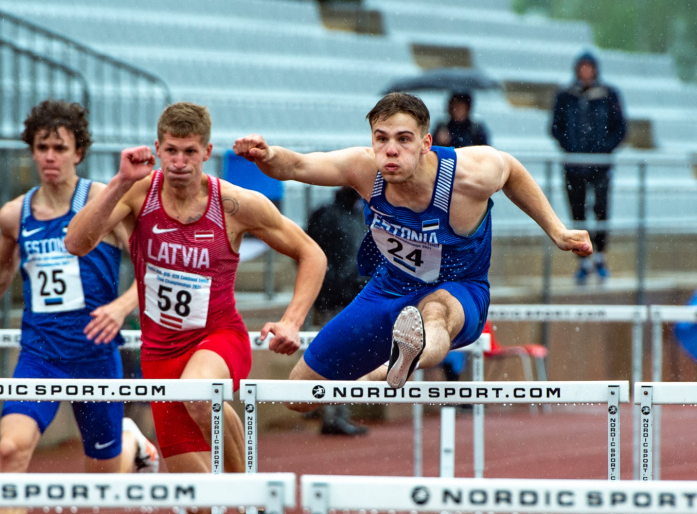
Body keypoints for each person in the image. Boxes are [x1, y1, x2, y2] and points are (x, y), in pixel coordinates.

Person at [233, 92, 592, 394]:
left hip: (458, 290)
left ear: (425, 143)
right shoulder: (363, 168)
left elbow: (510, 169)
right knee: (300, 392)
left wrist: (557, 230)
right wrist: (267, 155)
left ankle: (399, 360)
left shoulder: (467, 174)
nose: (390, 150)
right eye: (381, 138)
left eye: (403, 139)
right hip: (388, 289)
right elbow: (296, 165)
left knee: (434, 313)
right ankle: (390, 362)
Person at [64, 102, 326, 474]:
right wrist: (120, 181)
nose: (179, 162)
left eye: (190, 152)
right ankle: (148, 452)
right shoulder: (137, 193)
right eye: (171, 151)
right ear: (157, 149)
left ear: (206, 152)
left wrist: (292, 321)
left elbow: (312, 253)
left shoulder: (235, 204)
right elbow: (75, 243)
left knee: (200, 395)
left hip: (217, 339)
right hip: (159, 354)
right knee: (196, 501)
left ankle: (249, 495)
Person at [0, 100, 159, 501]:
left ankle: (131, 443)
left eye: (60, 148)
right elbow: (1, 268)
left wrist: (122, 306)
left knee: (102, 486)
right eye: (42, 147)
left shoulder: (104, 201)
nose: (50, 157)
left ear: (78, 152)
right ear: (31, 150)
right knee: (10, 449)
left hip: (95, 354)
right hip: (40, 355)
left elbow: (151, 266)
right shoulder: (15, 215)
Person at [551, 51, 626, 285]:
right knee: (577, 213)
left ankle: (601, 258)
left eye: (589, 68)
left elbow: (620, 129)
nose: (585, 73)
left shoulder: (608, 95)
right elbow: (555, 127)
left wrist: (603, 149)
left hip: (600, 166)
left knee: (602, 210)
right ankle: (583, 262)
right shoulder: (566, 96)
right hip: (574, 165)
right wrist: (571, 147)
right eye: (582, 68)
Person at [431, 90, 491, 382]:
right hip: (443, 211)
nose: (458, 110)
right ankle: (451, 372)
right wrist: (441, 145)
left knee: (457, 303)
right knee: (442, 302)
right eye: (454, 105)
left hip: (466, 209)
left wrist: (454, 149)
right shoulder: (440, 130)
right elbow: (429, 165)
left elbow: (484, 166)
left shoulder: (478, 131)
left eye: (462, 105)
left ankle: (457, 373)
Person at [306, 186, 370, 436]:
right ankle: (330, 415)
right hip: (333, 299)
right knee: (334, 358)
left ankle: (334, 414)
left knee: (344, 359)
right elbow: (310, 254)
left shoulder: (358, 216)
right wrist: (330, 285)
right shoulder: (328, 215)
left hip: (351, 297)